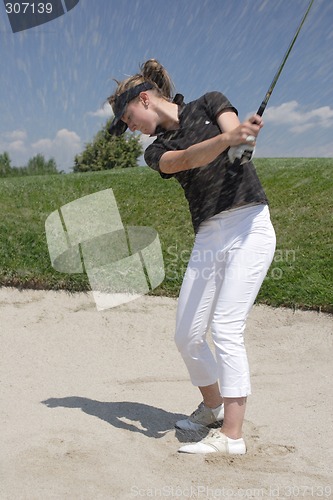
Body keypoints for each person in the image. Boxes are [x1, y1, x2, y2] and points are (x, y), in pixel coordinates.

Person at [107, 59, 276, 455]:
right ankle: (213, 408)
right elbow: (184, 160)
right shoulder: (157, 149)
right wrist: (227, 142)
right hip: (209, 236)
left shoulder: (209, 101)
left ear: (144, 98)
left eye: (127, 117)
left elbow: (236, 136)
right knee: (186, 333)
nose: (130, 127)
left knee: (225, 328)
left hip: (249, 225)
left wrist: (244, 138)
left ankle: (232, 437)